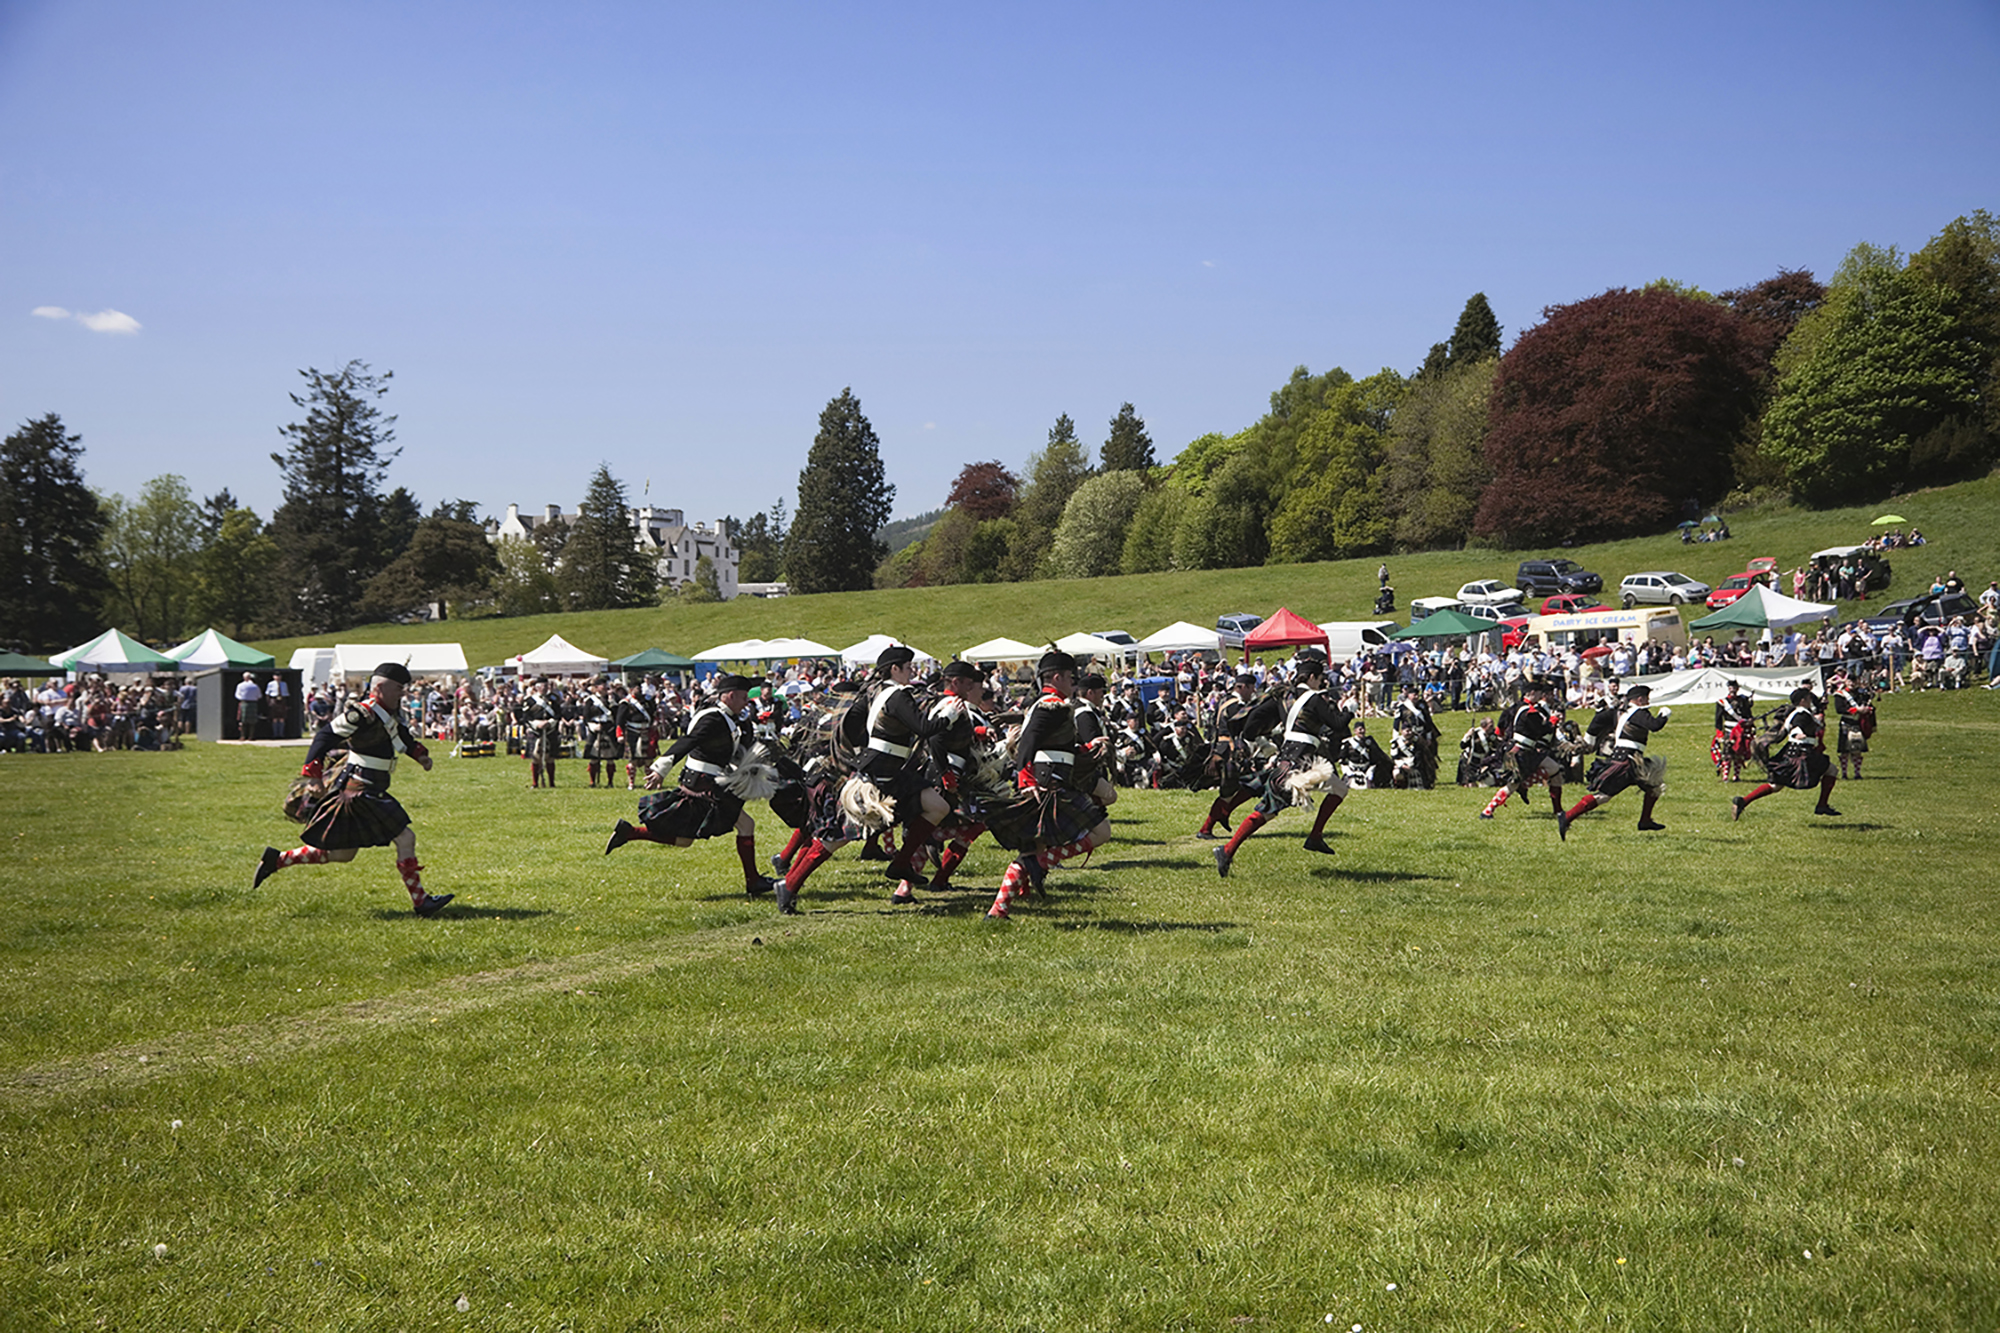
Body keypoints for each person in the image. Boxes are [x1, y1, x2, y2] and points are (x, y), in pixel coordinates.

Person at [252, 662, 453, 917]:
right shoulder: (361, 714)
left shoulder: (387, 711)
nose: (402, 693)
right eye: (398, 688)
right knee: (406, 838)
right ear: (379, 688)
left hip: (369, 786)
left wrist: (420, 755)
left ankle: (277, 859)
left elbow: (401, 736)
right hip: (359, 789)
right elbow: (325, 736)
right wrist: (312, 775)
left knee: (344, 853)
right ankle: (422, 902)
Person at [602, 673, 779, 900]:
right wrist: (661, 768)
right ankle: (753, 882)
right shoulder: (713, 718)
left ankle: (629, 832)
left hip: (706, 782)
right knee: (746, 824)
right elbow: (688, 742)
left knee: (685, 840)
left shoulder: (728, 717)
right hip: (704, 784)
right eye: (744, 697)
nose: (748, 701)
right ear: (731, 696)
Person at [982, 649, 1113, 919]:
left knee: (1032, 846)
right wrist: (1025, 780)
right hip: (1046, 783)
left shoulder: (1052, 704)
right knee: (1101, 831)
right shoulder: (1049, 705)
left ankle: (997, 911)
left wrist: (1089, 746)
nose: (1074, 683)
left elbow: (1058, 746)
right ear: (1056, 677)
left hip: (1050, 779)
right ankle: (1039, 864)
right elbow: (1027, 742)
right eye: (1070, 678)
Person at [1212, 649, 1353, 876]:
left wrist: (1248, 738)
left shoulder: (1285, 697)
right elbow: (1337, 724)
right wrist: (1349, 710)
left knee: (1339, 788)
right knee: (1267, 812)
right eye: (1319, 679)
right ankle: (1226, 850)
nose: (1321, 683)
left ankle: (1315, 836)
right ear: (1310, 678)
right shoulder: (1314, 699)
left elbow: (1258, 718)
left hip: (1292, 760)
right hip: (1299, 765)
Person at [1556, 683, 1672, 839]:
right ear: (1639, 699)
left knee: (1654, 786)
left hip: (1628, 759)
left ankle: (1645, 820)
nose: (1648, 702)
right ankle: (1567, 816)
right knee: (1604, 796)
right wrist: (1665, 714)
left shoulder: (1626, 714)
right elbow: (1655, 726)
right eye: (1646, 699)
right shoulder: (1638, 713)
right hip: (1627, 761)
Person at [1732, 685, 1841, 820]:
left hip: (1791, 752)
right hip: (1802, 754)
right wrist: (1797, 733)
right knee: (1832, 770)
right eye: (1808, 698)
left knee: (1776, 785)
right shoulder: (1801, 714)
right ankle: (1822, 805)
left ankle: (1743, 801)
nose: (1810, 700)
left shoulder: (1796, 712)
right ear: (1802, 700)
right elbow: (1797, 726)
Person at [1478, 685, 1567, 818]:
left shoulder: (1523, 709)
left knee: (1554, 768)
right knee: (1513, 785)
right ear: (1532, 692)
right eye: (1538, 693)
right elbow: (1541, 731)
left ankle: (1558, 810)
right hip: (1521, 751)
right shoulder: (1529, 712)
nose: (1540, 696)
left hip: (1526, 750)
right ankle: (1487, 811)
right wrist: (1553, 721)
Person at [1711, 679, 1755, 782]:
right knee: (1727, 753)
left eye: (1734, 688)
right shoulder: (1723, 702)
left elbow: (1748, 714)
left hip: (1741, 729)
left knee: (1739, 753)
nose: (1732, 690)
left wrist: (1750, 721)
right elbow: (1718, 719)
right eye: (1731, 687)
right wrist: (1719, 733)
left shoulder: (1743, 700)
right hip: (1729, 730)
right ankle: (1725, 776)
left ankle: (1736, 775)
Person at [233, 671, 263, 740]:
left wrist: (242, 698)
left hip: (244, 703)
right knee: (251, 721)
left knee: (243, 721)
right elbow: (259, 696)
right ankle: (250, 736)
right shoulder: (255, 686)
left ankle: (243, 736)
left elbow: (237, 695)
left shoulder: (240, 685)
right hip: (253, 703)